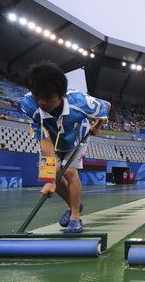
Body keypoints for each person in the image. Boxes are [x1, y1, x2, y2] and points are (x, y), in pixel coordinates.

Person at [21, 61, 110, 233]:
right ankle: (72, 205)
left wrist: (97, 125)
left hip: (77, 136)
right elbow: (44, 141)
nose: (41, 102)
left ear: (62, 95)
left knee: (69, 171)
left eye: (48, 96)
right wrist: (49, 181)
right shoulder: (28, 105)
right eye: (36, 95)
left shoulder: (80, 101)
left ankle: (75, 217)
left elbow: (107, 107)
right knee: (51, 173)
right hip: (54, 139)